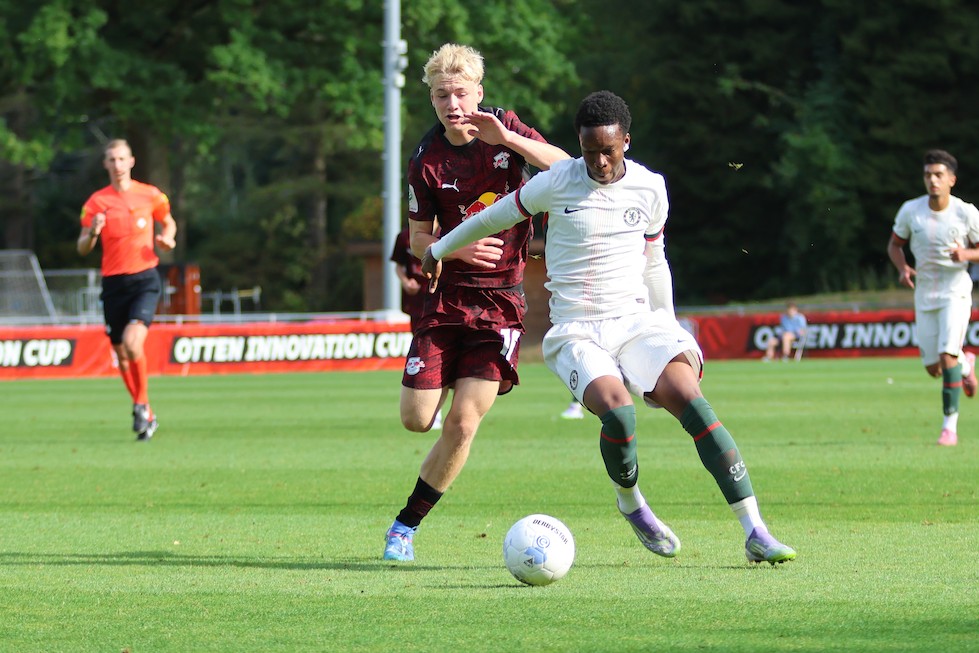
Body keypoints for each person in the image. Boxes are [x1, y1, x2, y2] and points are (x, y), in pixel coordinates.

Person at [422, 90, 796, 565]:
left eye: (608, 151)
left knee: (694, 404)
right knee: (619, 414)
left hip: (638, 322)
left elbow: (655, 261)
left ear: (626, 142)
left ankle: (755, 531)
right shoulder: (557, 181)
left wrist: (668, 326)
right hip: (576, 331)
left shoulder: (651, 187)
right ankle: (630, 501)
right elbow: (492, 217)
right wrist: (437, 250)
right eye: (588, 151)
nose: (598, 162)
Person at [382, 43, 570, 561]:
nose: (453, 103)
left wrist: (507, 138)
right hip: (446, 302)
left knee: (463, 424)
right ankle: (443, 390)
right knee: (417, 419)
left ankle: (404, 527)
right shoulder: (426, 159)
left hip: (501, 304)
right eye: (442, 95)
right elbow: (418, 240)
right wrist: (454, 246)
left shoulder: (506, 129)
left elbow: (565, 168)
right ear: (432, 100)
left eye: (461, 93)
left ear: (478, 93)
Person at [77, 139, 177, 441]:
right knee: (121, 355)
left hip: (144, 278)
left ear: (131, 161)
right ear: (105, 164)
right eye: (112, 159)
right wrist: (93, 233)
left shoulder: (150, 195)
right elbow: (82, 247)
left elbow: (168, 222)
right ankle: (146, 412)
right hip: (113, 283)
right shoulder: (96, 203)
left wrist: (168, 238)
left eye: (122, 159)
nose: (118, 165)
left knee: (134, 344)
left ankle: (141, 404)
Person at [887, 149, 979, 446]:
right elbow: (894, 245)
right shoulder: (911, 211)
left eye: (939, 174)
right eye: (928, 175)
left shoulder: (966, 212)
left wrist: (966, 254)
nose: (933, 180)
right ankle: (967, 364)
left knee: (946, 355)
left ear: (952, 179)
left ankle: (949, 428)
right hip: (925, 292)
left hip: (955, 290)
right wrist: (902, 269)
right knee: (934, 368)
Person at [390, 225, 442, 430]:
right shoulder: (404, 236)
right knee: (423, 354)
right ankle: (429, 410)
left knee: (440, 355)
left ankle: (438, 409)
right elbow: (398, 266)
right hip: (417, 304)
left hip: (442, 302)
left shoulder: (448, 229)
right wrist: (405, 282)